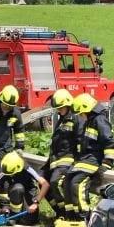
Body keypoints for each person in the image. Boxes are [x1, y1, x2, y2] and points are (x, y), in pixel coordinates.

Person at [62, 93, 114, 218]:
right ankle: (71, 215)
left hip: (94, 160)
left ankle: (84, 216)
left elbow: (110, 142)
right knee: (67, 182)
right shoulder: (89, 121)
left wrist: (106, 164)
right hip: (85, 159)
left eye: (81, 113)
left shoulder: (99, 120)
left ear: (87, 109)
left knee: (77, 183)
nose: (80, 116)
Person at [43, 89, 78, 219]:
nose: (59, 110)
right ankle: (58, 211)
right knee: (43, 183)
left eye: (60, 108)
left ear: (68, 105)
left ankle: (65, 213)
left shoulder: (75, 119)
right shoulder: (62, 119)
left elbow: (79, 141)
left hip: (67, 160)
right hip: (55, 160)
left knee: (54, 182)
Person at [0, 152, 48, 225]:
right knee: (16, 187)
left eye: (11, 173)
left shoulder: (27, 169)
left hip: (26, 195)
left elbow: (45, 184)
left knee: (28, 221)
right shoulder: (4, 172)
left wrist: (36, 203)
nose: (10, 175)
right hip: (11, 197)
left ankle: (17, 217)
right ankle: (9, 213)